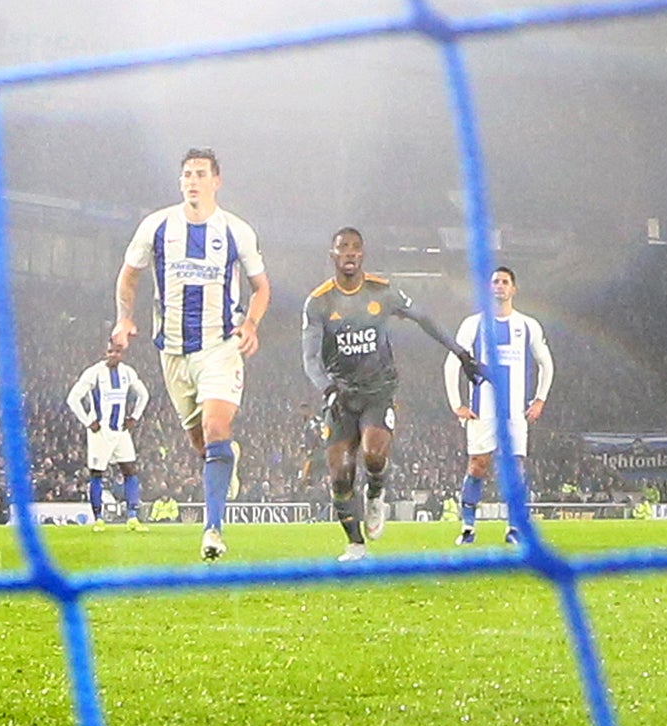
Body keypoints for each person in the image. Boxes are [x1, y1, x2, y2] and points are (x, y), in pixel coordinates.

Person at [112, 149, 270, 562]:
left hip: (220, 347)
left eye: (201, 174)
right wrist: (123, 319)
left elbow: (261, 287)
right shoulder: (157, 226)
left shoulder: (236, 231)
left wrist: (250, 324)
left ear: (216, 181)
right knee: (202, 444)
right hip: (173, 353)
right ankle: (224, 461)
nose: (192, 180)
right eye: (187, 174)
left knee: (218, 428)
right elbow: (129, 275)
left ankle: (213, 530)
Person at [303, 228, 480, 562]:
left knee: (372, 454)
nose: (350, 253)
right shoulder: (319, 302)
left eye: (356, 247)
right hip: (340, 395)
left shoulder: (382, 292)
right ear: (333, 255)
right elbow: (310, 358)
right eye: (343, 248)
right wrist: (327, 389)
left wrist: (459, 352)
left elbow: (424, 318)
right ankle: (355, 544)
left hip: (378, 391)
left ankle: (375, 492)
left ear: (363, 254)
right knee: (340, 475)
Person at [446, 265, 553, 545]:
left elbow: (546, 363)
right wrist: (457, 403)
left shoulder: (528, 325)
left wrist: (540, 398)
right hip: (483, 410)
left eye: (504, 282)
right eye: (495, 282)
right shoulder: (473, 324)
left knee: (515, 467)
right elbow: (451, 362)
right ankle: (468, 527)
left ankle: (514, 528)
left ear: (513, 289)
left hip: (516, 411)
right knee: (478, 465)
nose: (499, 286)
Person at [67, 340, 151, 530]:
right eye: (110, 351)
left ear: (122, 354)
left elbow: (144, 395)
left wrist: (134, 417)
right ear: (104, 353)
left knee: (130, 469)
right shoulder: (93, 373)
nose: (114, 355)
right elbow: (73, 398)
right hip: (100, 432)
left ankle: (132, 517)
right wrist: (88, 421)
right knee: (97, 473)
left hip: (120, 431)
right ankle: (98, 519)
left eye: (117, 352)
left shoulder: (127, 372)